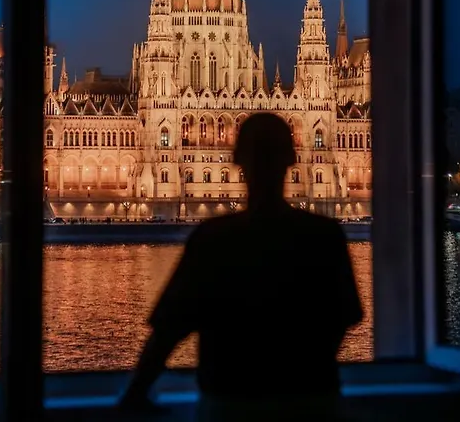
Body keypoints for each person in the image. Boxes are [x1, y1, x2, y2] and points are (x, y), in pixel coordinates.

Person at [118, 112, 364, 421]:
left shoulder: (211, 239)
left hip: (230, 402)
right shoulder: (325, 236)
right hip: (311, 400)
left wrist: (135, 393)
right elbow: (347, 316)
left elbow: (168, 331)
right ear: (291, 158)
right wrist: (305, 360)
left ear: (236, 159)